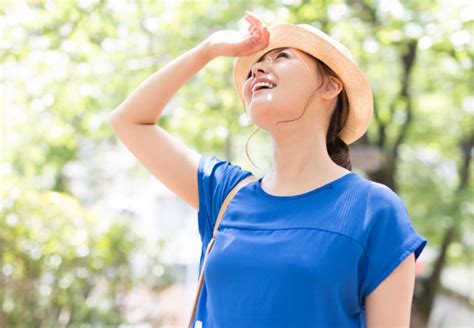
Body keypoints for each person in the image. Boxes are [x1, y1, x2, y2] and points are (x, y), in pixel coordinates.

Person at [110, 10, 428, 328]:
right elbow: (129, 121)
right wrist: (207, 50)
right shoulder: (224, 194)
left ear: (331, 87)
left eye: (282, 56)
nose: (258, 67)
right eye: (253, 68)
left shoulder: (373, 209)